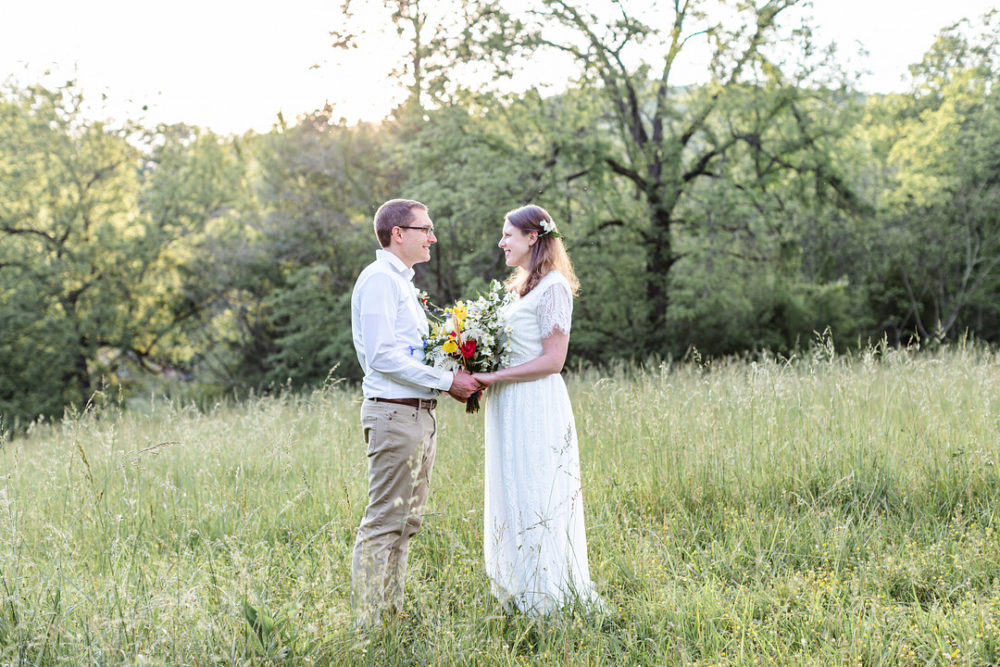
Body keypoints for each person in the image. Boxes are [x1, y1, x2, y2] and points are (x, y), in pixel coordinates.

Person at [350, 198, 481, 627]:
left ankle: (391, 615)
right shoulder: (378, 281)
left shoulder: (402, 283)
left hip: (418, 414)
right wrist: (447, 382)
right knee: (384, 521)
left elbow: (407, 352)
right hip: (394, 415)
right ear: (398, 234)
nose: (433, 237)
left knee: (407, 522)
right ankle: (366, 626)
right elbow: (382, 357)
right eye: (425, 229)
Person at [472, 204, 602, 615]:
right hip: (508, 402)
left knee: (536, 490)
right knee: (511, 490)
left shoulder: (554, 288)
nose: (501, 242)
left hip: (535, 401)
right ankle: (516, 589)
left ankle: (549, 597)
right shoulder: (520, 286)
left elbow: (553, 360)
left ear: (533, 237)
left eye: (507, 235)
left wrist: (492, 379)